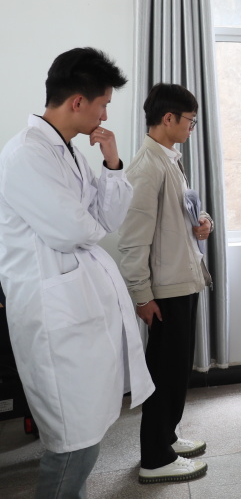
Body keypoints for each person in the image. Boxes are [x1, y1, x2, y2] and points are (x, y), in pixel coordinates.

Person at [0, 47, 154, 497]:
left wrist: (112, 162)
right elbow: (73, 231)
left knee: (85, 437)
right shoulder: (27, 154)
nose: (105, 114)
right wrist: (89, 224)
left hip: (78, 310)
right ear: (78, 102)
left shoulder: (65, 151)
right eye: (104, 104)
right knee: (72, 445)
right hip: (54, 318)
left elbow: (106, 219)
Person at [118, 84, 213, 484]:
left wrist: (203, 222)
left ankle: (167, 438)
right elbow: (131, 240)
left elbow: (184, 211)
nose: (192, 126)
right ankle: (155, 459)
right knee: (164, 373)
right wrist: (142, 296)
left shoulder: (170, 159)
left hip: (182, 281)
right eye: (190, 120)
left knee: (176, 372)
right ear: (168, 118)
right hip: (165, 290)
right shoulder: (147, 167)